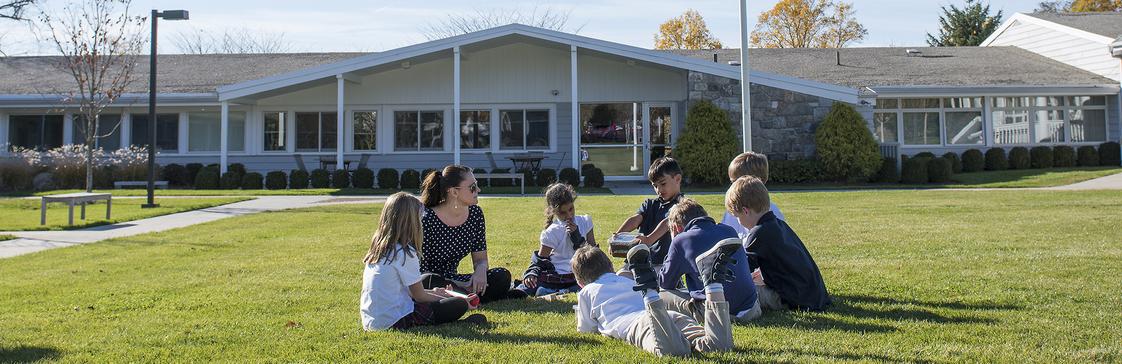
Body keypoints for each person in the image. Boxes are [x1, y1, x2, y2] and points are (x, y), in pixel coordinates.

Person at [573, 243, 738, 357]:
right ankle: (713, 286)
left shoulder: (586, 292)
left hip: (641, 325)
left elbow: (587, 329)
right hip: (669, 315)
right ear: (611, 267)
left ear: (580, 283)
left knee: (675, 352)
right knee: (718, 347)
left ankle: (649, 290)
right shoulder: (627, 281)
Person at [360, 192, 486, 331]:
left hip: (372, 321)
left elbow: (407, 291)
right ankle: (458, 322)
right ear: (412, 221)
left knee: (438, 292)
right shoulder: (405, 253)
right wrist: (456, 300)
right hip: (396, 320)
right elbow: (419, 296)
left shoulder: (380, 250)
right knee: (458, 304)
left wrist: (438, 293)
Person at [418, 165, 526, 302]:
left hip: (456, 280)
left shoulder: (475, 214)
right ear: (454, 192)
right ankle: (476, 295)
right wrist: (463, 284)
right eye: (472, 187)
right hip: (432, 282)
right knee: (429, 281)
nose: (478, 190)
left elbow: (481, 259)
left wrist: (480, 271)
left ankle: (466, 295)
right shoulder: (427, 219)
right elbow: (421, 271)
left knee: (501, 275)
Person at [726, 176, 831, 311]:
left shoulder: (758, 233)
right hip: (812, 295)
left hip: (793, 299)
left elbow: (742, 269)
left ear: (746, 211)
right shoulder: (779, 225)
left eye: (737, 217)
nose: (738, 222)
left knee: (744, 293)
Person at [658, 198, 761, 323]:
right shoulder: (729, 230)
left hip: (717, 312)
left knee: (662, 295)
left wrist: (674, 242)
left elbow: (666, 283)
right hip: (751, 309)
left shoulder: (681, 240)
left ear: (677, 227)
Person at [516, 183, 596, 297]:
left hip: (581, 272)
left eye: (571, 209)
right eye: (563, 212)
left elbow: (594, 253)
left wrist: (577, 238)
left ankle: (552, 291)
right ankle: (524, 290)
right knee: (533, 283)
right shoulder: (551, 232)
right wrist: (531, 273)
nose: (569, 215)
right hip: (558, 275)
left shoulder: (585, 221)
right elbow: (541, 259)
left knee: (593, 281)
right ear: (553, 211)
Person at [613, 157, 684, 267]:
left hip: (662, 264)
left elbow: (668, 222)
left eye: (663, 184)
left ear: (677, 179)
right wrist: (617, 238)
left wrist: (649, 239)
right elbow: (635, 219)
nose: (659, 190)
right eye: (655, 186)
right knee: (620, 278)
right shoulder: (650, 204)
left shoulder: (683, 205)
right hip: (638, 260)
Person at [720, 152, 785, 239]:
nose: (733, 187)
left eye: (736, 182)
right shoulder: (733, 211)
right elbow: (725, 237)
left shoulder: (770, 213)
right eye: (732, 182)